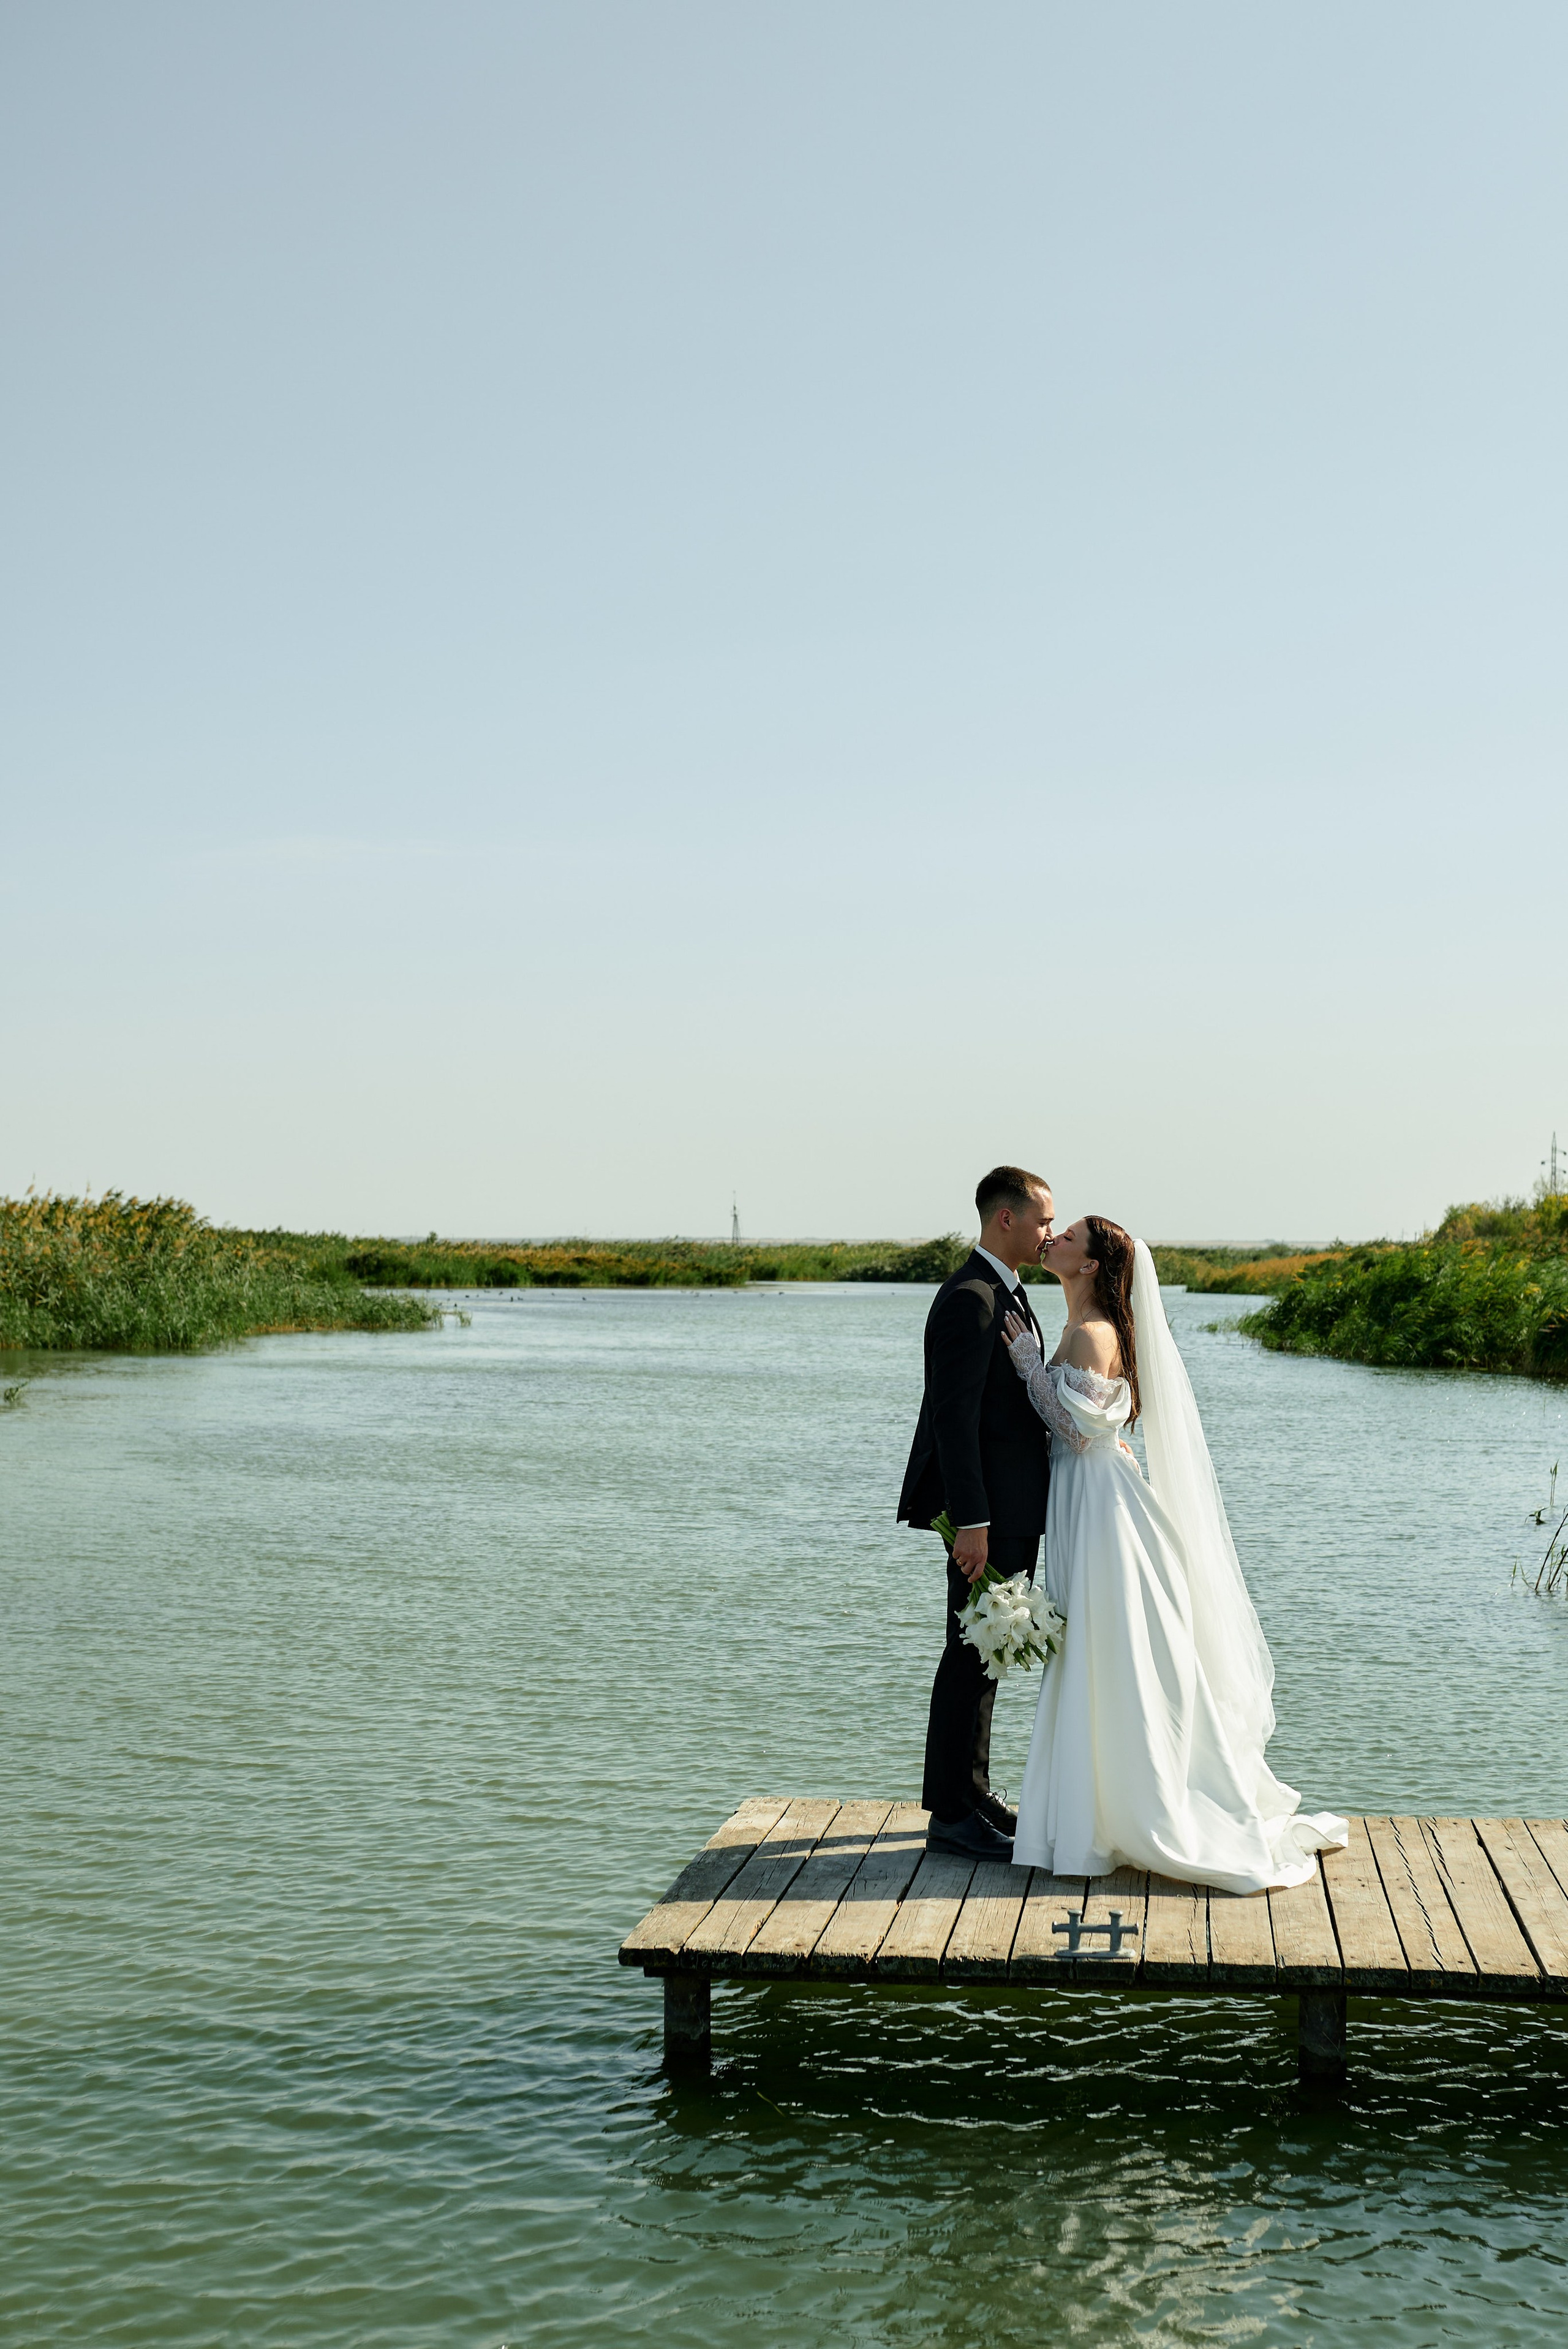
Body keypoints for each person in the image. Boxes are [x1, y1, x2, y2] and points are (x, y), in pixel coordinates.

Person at [1002, 1215, 1346, 1893]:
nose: (1055, 1239)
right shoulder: (1081, 1326)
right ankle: (1093, 1808)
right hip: (1086, 1497)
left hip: (1099, 1507)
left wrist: (1027, 1370)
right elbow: (1096, 1423)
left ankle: (1125, 1808)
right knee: (1097, 1647)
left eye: (1068, 1238)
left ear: (1090, 1265)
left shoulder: (1092, 1333)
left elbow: (1078, 1430)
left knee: (1109, 1646)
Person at [897, 1165, 1055, 1859]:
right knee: (969, 1653)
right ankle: (951, 1817)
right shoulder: (971, 1298)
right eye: (1043, 1220)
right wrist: (972, 1521)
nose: (1049, 1232)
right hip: (985, 1515)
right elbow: (953, 1420)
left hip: (1008, 1507)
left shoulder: (1004, 1291)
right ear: (1005, 1219)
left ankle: (973, 1793)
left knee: (988, 1649)